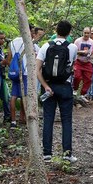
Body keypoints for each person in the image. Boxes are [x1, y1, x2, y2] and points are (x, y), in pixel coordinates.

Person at [36, 20, 78, 163]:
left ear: (56, 30)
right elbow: (72, 66)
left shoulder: (45, 46)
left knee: (48, 119)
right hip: (65, 87)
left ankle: (47, 153)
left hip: (49, 86)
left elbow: (37, 69)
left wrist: (45, 86)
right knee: (67, 121)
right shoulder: (72, 47)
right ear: (69, 32)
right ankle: (67, 154)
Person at [9, 25, 40, 128]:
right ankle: (24, 118)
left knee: (14, 96)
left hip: (15, 71)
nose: (33, 34)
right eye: (32, 31)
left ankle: (13, 120)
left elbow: (9, 58)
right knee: (25, 95)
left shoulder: (13, 42)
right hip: (26, 72)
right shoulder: (29, 42)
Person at [73, 26, 93, 100]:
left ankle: (83, 94)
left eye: (88, 33)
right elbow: (74, 51)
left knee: (88, 79)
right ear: (82, 33)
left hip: (87, 62)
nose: (86, 34)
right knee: (77, 76)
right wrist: (82, 52)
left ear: (90, 34)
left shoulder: (92, 42)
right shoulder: (78, 41)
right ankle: (75, 90)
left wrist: (92, 56)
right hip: (78, 61)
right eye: (85, 33)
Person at [0, 32, 11, 123]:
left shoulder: (0, 48)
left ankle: (7, 116)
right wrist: (5, 61)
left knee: (6, 97)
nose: (3, 40)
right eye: (1, 38)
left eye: (4, 39)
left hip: (2, 74)